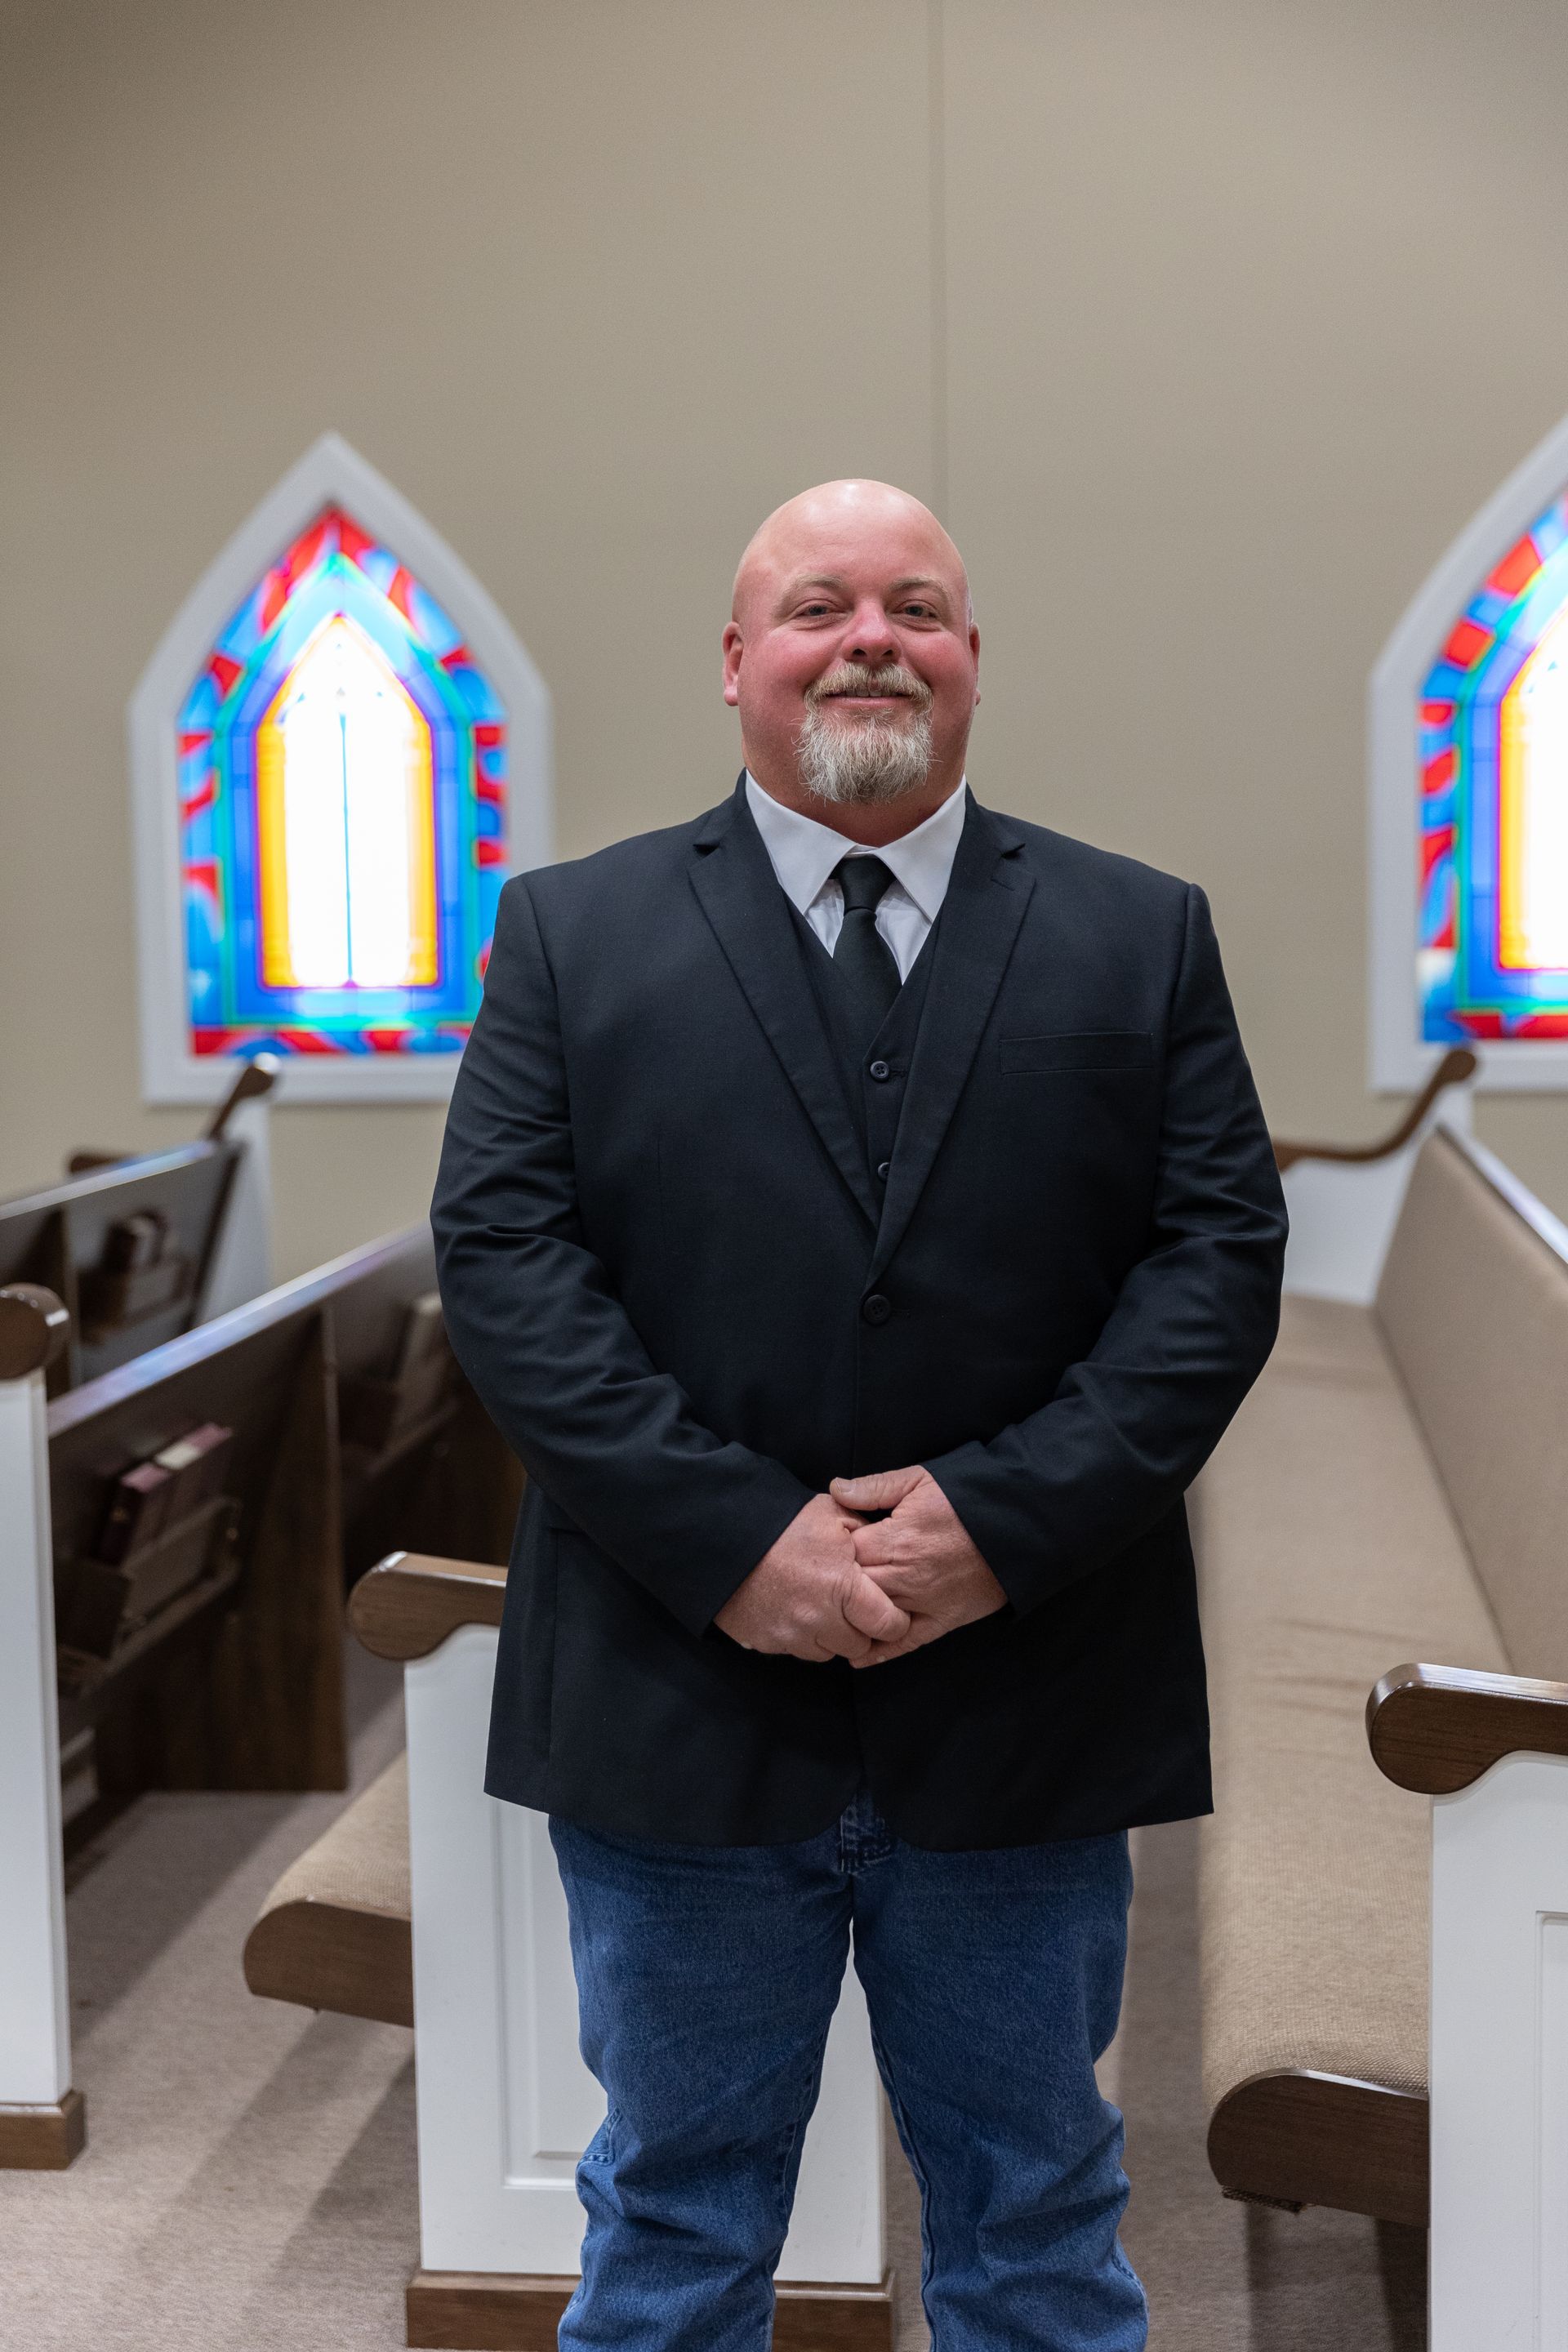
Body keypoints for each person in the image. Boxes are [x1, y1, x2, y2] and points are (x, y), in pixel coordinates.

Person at [431, 478, 1286, 2350]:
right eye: (820, 607)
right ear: (739, 659)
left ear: (974, 659)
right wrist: (741, 1540)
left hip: (1028, 1691)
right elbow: (507, 1264)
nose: (871, 639)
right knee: (674, 2220)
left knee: (1039, 2220)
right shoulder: (573, 931)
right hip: (680, 1694)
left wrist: (1001, 1521)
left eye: (917, 606)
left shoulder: (1138, 933)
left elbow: (1215, 1264)